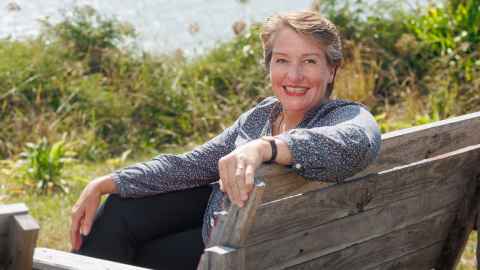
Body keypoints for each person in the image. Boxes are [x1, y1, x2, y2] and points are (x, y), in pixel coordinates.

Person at [70, 10, 382, 270]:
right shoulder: (263, 116)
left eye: (310, 62)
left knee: (134, 256)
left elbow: (352, 144)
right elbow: (194, 165)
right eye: (282, 60)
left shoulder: (346, 117)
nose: (294, 75)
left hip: (257, 254)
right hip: (224, 236)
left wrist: (264, 148)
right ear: (269, 65)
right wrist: (108, 181)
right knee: (121, 208)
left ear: (332, 69)